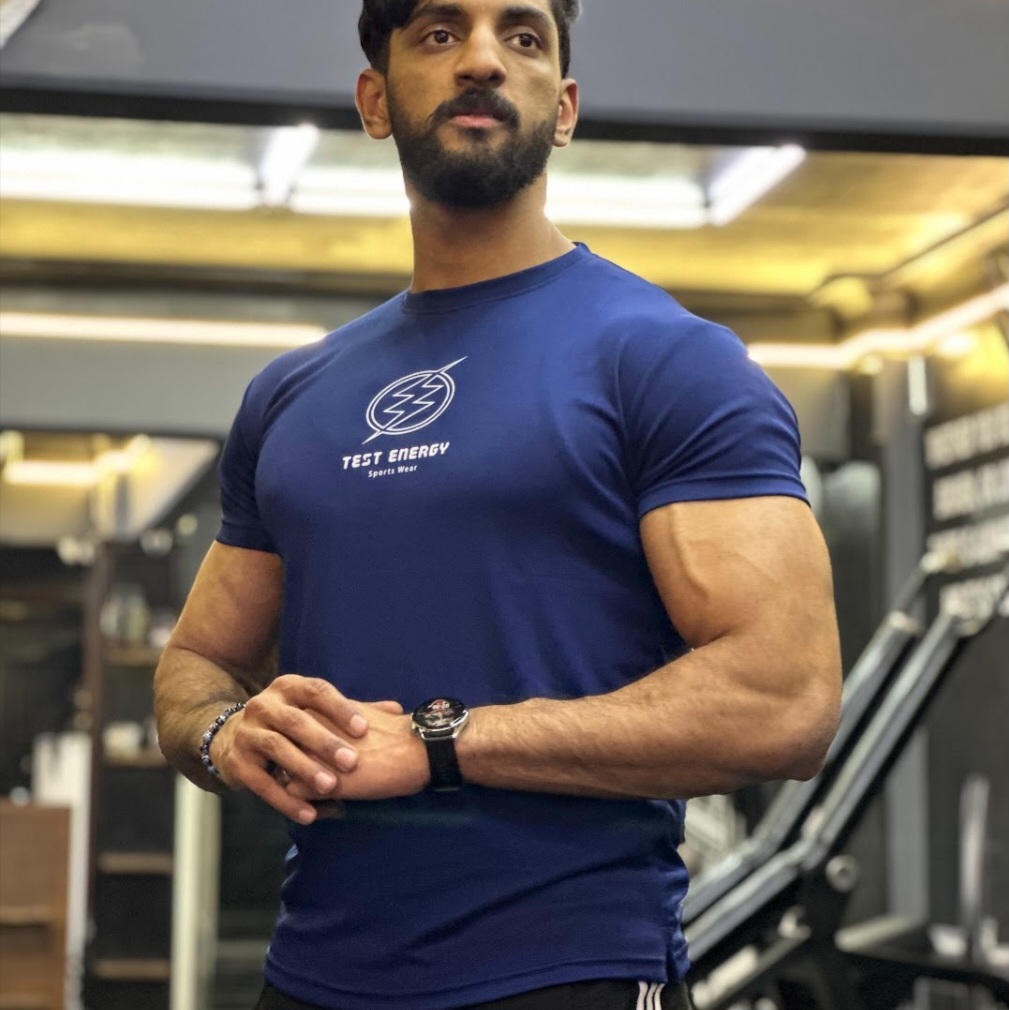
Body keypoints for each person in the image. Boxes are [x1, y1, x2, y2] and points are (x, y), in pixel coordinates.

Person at [153, 1, 842, 1008]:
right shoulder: (291, 396)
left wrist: (441, 742)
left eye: (521, 36)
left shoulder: (666, 360)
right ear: (375, 101)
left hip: (566, 969)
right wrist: (226, 734)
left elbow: (784, 701)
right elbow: (194, 666)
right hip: (311, 973)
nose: (481, 58)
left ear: (562, 108)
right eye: (440, 33)